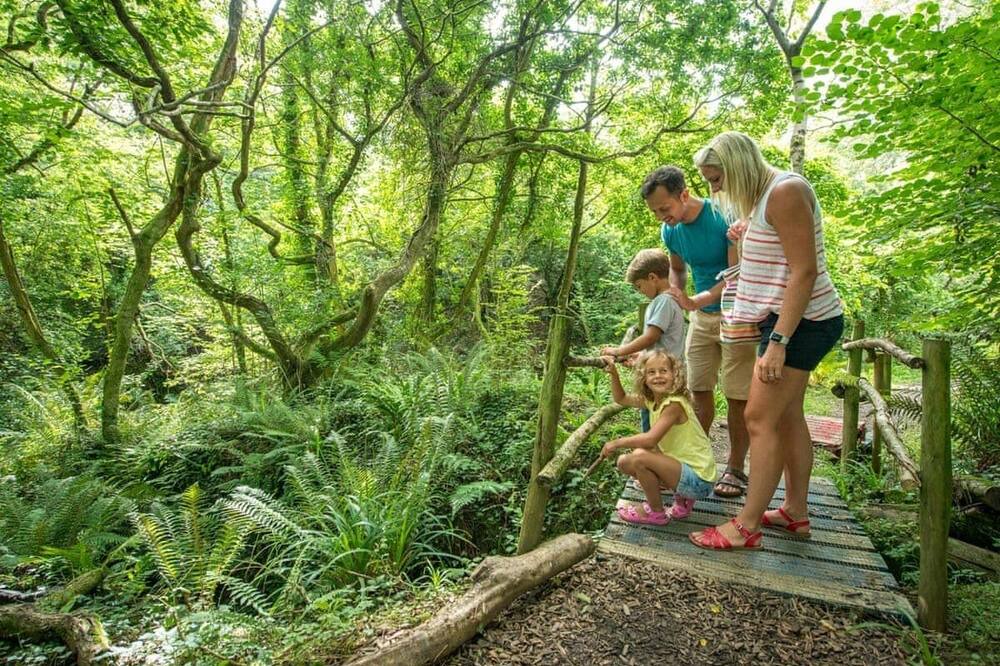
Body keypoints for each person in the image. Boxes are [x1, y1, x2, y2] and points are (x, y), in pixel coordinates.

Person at [688, 131, 844, 550]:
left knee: (759, 417)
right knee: (788, 415)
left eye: (717, 179)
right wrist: (748, 231)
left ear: (738, 168)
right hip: (787, 321)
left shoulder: (786, 191)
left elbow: (804, 272)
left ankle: (747, 525)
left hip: (802, 323)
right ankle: (795, 513)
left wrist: (779, 341)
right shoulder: (763, 200)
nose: (713, 189)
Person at [640, 166, 756, 498]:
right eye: (655, 212)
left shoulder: (722, 215)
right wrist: (676, 298)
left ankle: (735, 468)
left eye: (665, 208)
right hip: (700, 317)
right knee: (695, 390)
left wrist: (694, 299)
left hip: (738, 313)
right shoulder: (670, 232)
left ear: (684, 195)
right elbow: (677, 270)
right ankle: (690, 463)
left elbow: (738, 272)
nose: (663, 217)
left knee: (737, 394)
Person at [599, 349, 718, 525]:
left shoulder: (674, 404)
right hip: (687, 474)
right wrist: (614, 374)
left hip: (699, 480)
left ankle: (656, 513)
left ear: (674, 374)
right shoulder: (653, 401)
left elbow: (650, 440)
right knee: (624, 462)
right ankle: (682, 502)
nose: (658, 376)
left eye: (663, 371)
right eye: (651, 372)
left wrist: (616, 443)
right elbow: (621, 398)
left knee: (640, 456)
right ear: (644, 378)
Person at [600, 248, 685, 361]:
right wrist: (641, 355)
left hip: (666, 372)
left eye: (639, 286)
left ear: (652, 278)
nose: (640, 291)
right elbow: (663, 344)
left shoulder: (664, 301)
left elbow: (650, 338)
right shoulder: (670, 300)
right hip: (665, 367)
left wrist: (618, 351)